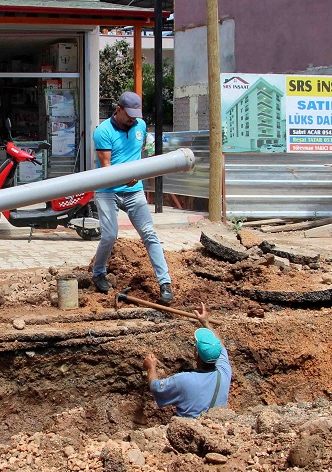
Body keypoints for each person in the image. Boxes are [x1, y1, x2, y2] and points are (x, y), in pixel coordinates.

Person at [92, 91, 173, 305]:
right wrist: (124, 176)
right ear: (118, 110)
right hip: (107, 189)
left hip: (133, 189)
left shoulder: (140, 126)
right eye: (129, 115)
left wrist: (136, 174)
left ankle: (165, 283)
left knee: (149, 233)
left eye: (136, 115)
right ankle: (98, 272)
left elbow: (140, 155)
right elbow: (106, 169)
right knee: (109, 235)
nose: (132, 119)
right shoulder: (103, 131)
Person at [143, 304, 231, 418]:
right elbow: (221, 347)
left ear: (196, 354)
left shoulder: (184, 380)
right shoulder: (224, 372)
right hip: (216, 428)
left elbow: (156, 387)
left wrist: (151, 368)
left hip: (190, 431)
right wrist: (206, 323)